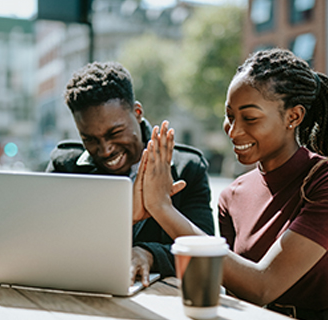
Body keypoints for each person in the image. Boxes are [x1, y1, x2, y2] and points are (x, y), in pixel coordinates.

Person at [138, 48, 328, 319]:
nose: (233, 130)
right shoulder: (231, 195)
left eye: (250, 118)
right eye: (230, 116)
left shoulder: (321, 181)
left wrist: (161, 207)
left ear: (293, 117)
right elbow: (235, 291)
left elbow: (263, 286)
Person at [45, 61, 214, 285]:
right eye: (90, 139)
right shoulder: (65, 166)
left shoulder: (187, 169)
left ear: (137, 113)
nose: (105, 150)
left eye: (115, 132)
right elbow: (48, 242)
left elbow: (205, 250)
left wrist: (149, 254)